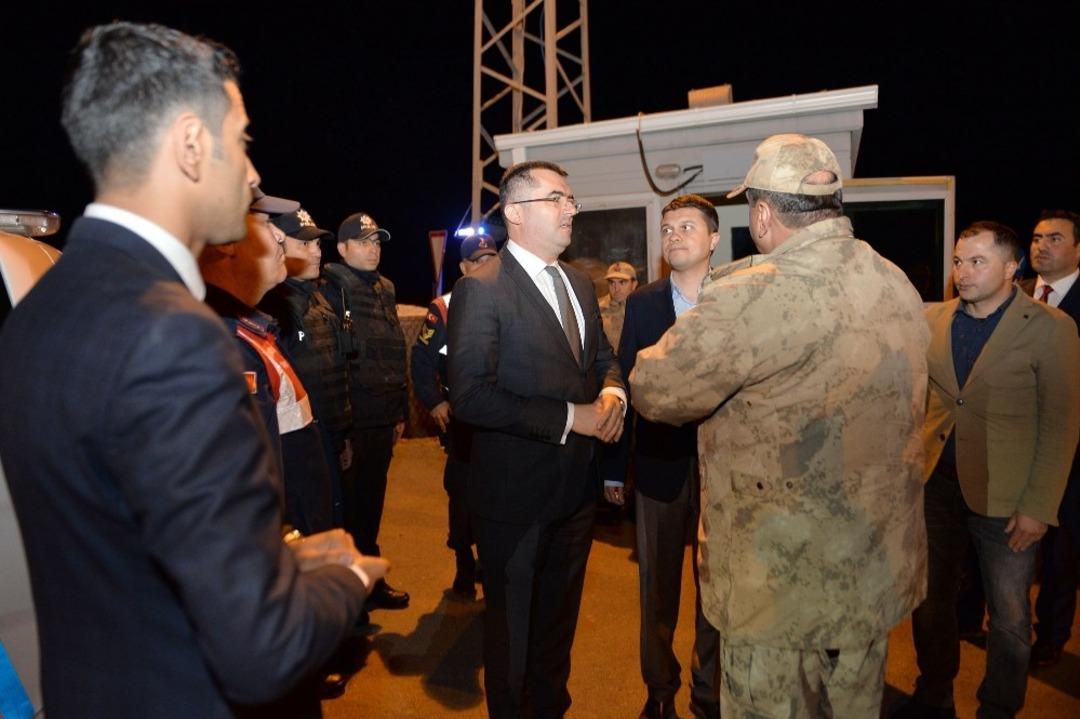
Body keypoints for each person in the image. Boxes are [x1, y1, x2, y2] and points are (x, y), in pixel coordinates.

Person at [0, 22, 386, 718]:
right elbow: (260, 650)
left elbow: (121, 546)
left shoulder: (39, 305)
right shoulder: (179, 336)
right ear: (188, 145)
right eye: (240, 141)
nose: (253, 173)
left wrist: (277, 566)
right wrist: (345, 577)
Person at [630, 134, 930, 718]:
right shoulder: (896, 281)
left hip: (781, 583)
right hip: (870, 570)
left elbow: (655, 389)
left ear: (763, 213)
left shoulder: (756, 292)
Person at [448, 160, 626, 718]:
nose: (571, 208)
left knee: (556, 628)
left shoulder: (576, 282)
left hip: (575, 494)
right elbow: (472, 396)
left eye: (571, 199)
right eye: (558, 198)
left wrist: (614, 395)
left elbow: (602, 360)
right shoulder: (481, 288)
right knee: (513, 635)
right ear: (518, 214)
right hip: (514, 501)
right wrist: (575, 418)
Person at [897, 221, 1080, 719]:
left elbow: (1061, 424)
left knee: (1009, 617)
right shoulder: (934, 319)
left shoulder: (1050, 328)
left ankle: (998, 707)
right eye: (959, 261)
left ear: (1010, 267)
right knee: (930, 603)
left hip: (1009, 496)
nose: (963, 272)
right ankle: (933, 695)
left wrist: (1038, 507)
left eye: (977, 262)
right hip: (936, 487)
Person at [603, 194, 721, 719]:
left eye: (687, 226)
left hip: (728, 470)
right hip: (659, 463)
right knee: (657, 589)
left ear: (713, 239)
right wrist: (612, 470)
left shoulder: (740, 298)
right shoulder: (645, 303)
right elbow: (623, 378)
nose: (674, 236)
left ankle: (710, 689)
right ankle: (659, 690)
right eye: (667, 228)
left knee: (718, 589)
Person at [321, 211, 410, 610]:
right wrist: (343, 428)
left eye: (376, 242)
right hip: (354, 419)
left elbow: (393, 351)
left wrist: (400, 412)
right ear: (342, 248)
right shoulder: (331, 289)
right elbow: (335, 361)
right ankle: (347, 595)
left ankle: (370, 582)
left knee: (372, 504)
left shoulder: (385, 289)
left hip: (382, 417)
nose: (373, 249)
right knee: (350, 508)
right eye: (363, 242)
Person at [410, 232, 497, 597]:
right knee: (461, 494)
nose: (484, 266)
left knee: (497, 495)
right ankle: (464, 562)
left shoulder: (508, 298)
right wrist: (434, 402)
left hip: (499, 417)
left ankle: (492, 565)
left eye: (490, 259)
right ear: (463, 267)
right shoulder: (444, 308)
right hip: (463, 420)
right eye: (477, 261)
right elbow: (420, 361)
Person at [260, 208, 354, 532]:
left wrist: (343, 432)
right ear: (279, 245)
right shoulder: (273, 307)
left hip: (330, 433)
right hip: (300, 442)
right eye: (306, 243)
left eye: (317, 244)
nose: (316, 251)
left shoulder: (319, 297)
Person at [1023, 209, 1080, 669]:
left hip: (1072, 451)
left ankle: (1052, 637)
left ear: (1078, 249)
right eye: (1037, 237)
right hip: (1017, 443)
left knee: (1062, 549)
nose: (1041, 246)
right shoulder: (1018, 295)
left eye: (1055, 238)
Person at [599, 260, 638, 351]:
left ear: (634, 284)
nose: (616, 288)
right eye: (612, 283)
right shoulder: (596, 309)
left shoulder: (644, 308)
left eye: (622, 282)